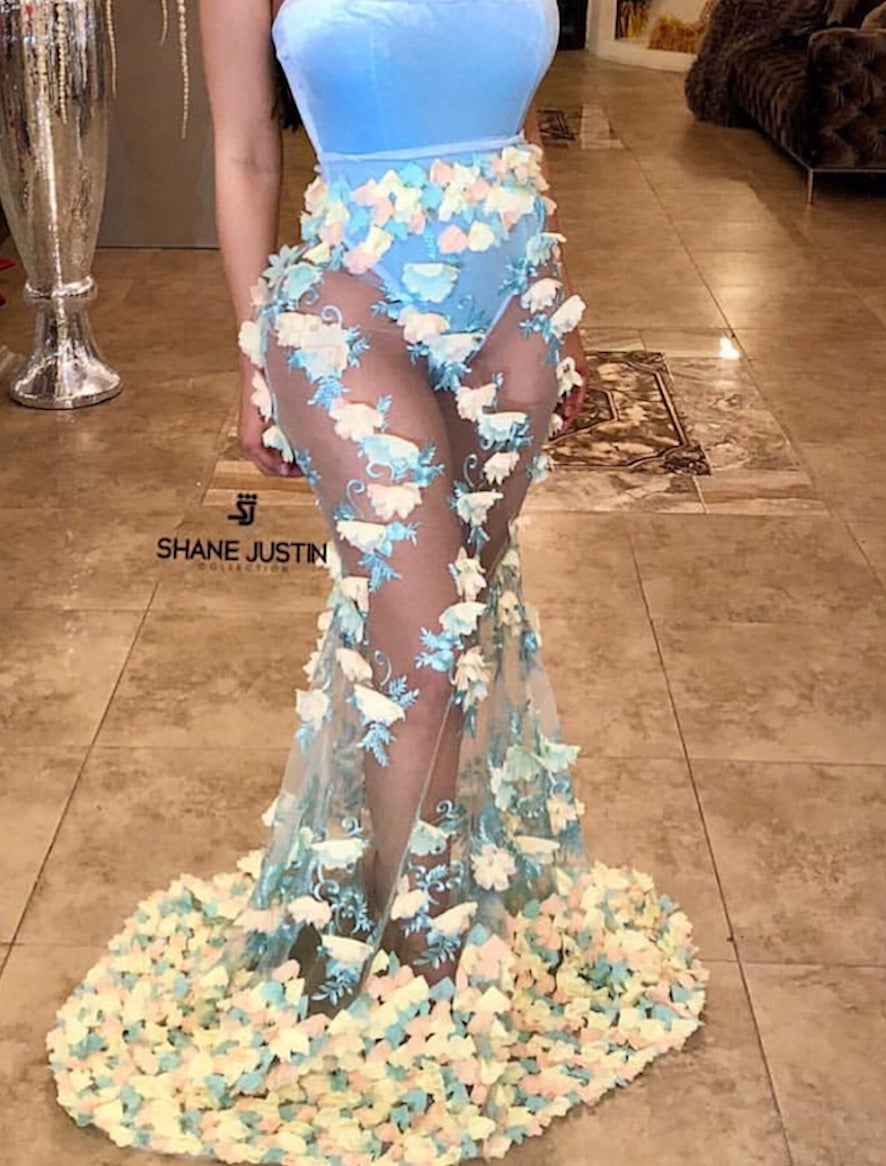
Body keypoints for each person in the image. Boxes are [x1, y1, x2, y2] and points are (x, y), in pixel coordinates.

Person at [47, 3, 709, 1163]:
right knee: (420, 636)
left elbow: (522, 125)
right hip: (347, 309)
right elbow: (245, 149)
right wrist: (252, 354)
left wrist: (555, 294)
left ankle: (392, 881)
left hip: (508, 309)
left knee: (445, 633)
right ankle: (417, 961)